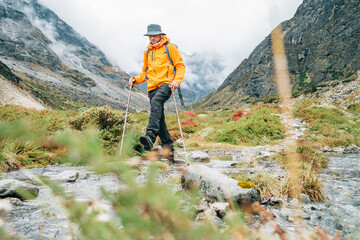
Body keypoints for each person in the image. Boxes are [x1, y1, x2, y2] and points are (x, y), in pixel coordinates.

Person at [129, 24, 185, 162]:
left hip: (167, 83)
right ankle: (169, 149)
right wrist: (136, 80)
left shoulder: (169, 48)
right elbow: (145, 73)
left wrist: (176, 81)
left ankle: (150, 136)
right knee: (159, 118)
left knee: (156, 102)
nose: (152, 38)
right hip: (152, 87)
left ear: (161, 35)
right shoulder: (147, 53)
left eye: (155, 35)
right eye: (150, 35)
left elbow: (180, 66)